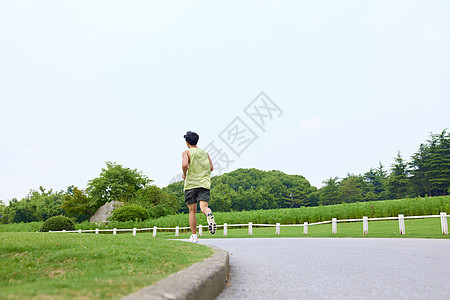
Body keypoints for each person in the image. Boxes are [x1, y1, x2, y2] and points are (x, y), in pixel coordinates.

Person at [182, 131, 216, 243]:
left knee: (192, 211)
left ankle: (194, 236)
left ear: (187, 142)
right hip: (204, 184)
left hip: (191, 184)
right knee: (204, 207)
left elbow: (184, 164)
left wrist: (184, 174)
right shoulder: (205, 153)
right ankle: (209, 214)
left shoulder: (186, 152)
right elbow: (211, 168)